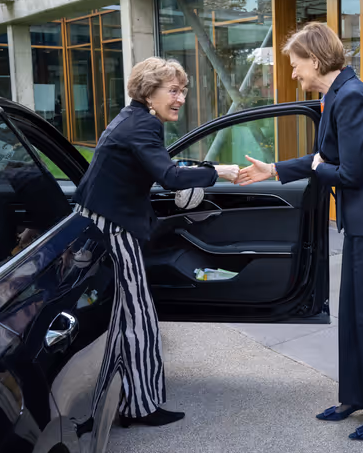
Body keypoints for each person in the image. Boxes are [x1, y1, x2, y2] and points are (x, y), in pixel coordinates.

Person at [235, 22, 363, 441]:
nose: (294, 73)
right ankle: (356, 396)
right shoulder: (338, 94)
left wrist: (318, 168)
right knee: (355, 311)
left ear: (314, 60)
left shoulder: (350, 96)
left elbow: (348, 172)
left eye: (296, 64)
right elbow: (327, 155)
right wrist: (275, 170)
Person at [73, 57, 239, 427]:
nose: (180, 98)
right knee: (138, 319)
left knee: (117, 319)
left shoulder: (131, 119)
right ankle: (142, 407)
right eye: (173, 90)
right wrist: (218, 171)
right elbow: (168, 176)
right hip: (114, 230)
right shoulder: (145, 124)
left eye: (182, 91)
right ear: (150, 92)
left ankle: (117, 401)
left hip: (101, 225)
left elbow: (154, 167)